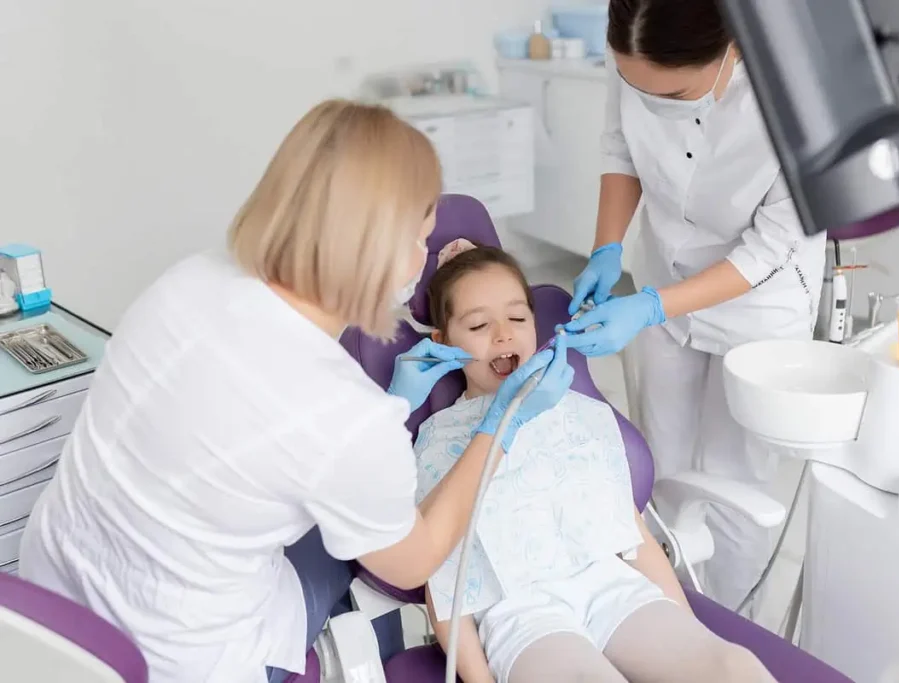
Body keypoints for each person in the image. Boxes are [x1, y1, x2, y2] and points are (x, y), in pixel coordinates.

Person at [18, 100, 572, 683]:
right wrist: (501, 422)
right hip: (183, 659)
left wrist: (391, 412)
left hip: (53, 610)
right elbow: (412, 564)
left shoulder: (188, 280)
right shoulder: (344, 414)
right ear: (383, 252)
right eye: (422, 240)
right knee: (361, 565)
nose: (423, 259)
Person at [561, 0, 826, 615]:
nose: (654, 104)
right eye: (637, 87)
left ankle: (732, 625)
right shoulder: (636, 44)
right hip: (661, 274)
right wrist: (606, 248)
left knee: (736, 489)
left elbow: (773, 246)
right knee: (659, 467)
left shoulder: (797, 90)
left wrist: (651, 307)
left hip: (759, 306)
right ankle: (665, 615)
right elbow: (620, 149)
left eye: (675, 95)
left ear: (731, 47)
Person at [413, 239, 776, 683]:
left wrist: (691, 638)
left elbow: (634, 535)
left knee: (734, 667)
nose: (503, 334)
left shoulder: (578, 413)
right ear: (442, 343)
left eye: (517, 318)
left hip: (613, 588)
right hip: (522, 614)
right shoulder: (439, 441)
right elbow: (441, 583)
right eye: (478, 325)